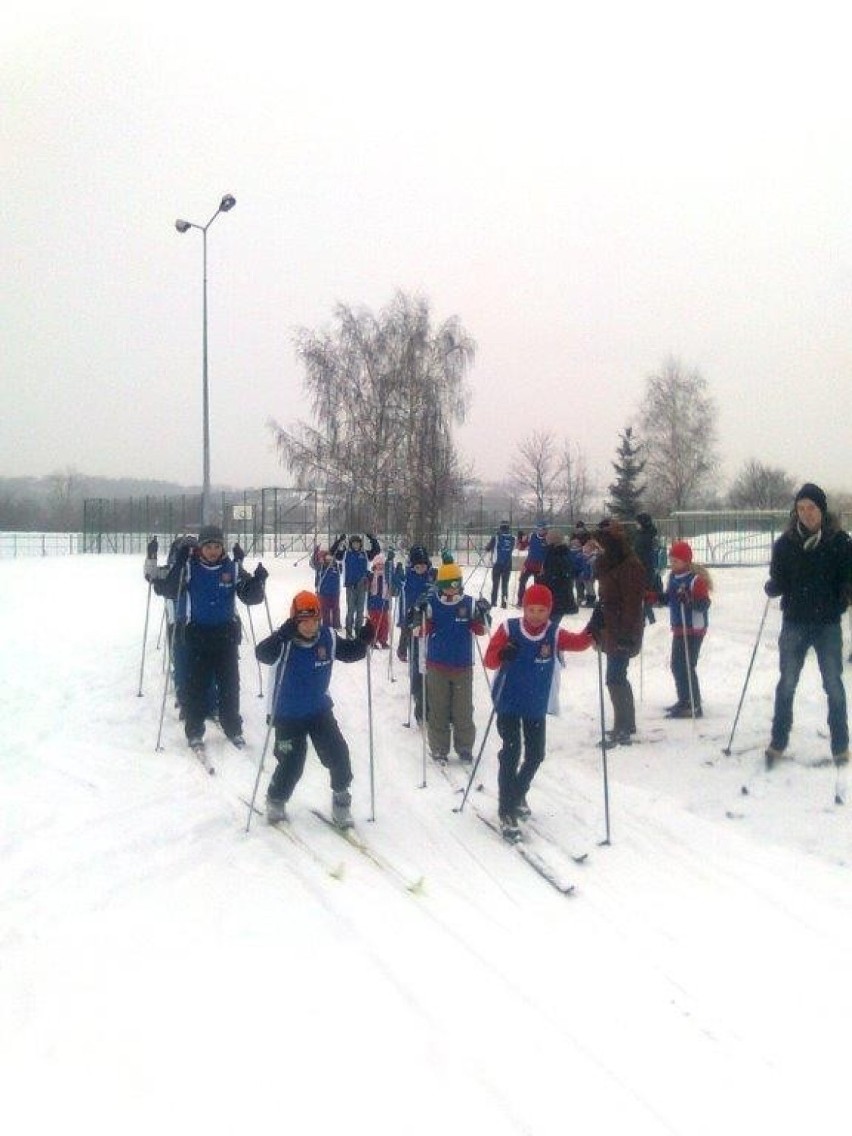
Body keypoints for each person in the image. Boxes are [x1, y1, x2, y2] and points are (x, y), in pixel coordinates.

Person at [484, 583, 594, 841]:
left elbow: (578, 643)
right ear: (524, 608)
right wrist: (503, 652)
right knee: (511, 752)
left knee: (536, 754)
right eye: (531, 609)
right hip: (508, 701)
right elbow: (490, 660)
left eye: (541, 610)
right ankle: (506, 809)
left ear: (549, 611)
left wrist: (594, 629)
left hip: (535, 704)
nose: (535, 615)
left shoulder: (553, 634)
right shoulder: (510, 629)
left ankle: (518, 792)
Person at [256, 591, 374, 827]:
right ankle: (276, 798)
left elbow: (350, 652)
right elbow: (262, 654)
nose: (311, 626)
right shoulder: (284, 642)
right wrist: (282, 635)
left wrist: (363, 640)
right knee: (292, 763)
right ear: (294, 620)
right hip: (287, 715)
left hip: (318, 711)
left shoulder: (327, 638)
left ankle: (341, 801)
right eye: (304, 621)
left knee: (338, 755)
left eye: (315, 620)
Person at [764, 483, 852, 770]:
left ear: (821, 509)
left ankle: (841, 744)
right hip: (795, 623)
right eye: (800, 508)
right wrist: (774, 586)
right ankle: (778, 740)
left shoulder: (839, 542)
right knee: (787, 683)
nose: (806, 514)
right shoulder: (785, 543)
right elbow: (778, 578)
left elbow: (847, 578)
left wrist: (843, 597)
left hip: (827, 624)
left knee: (833, 684)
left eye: (811, 508)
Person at [156, 524, 267, 750]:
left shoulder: (231, 568)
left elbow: (252, 598)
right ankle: (195, 730)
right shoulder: (189, 567)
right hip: (198, 637)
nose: (213, 551)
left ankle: (232, 727)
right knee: (196, 687)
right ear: (200, 547)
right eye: (209, 546)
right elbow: (168, 590)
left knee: (230, 687)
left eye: (217, 546)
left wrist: (257, 581)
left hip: (225, 638)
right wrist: (178, 564)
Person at [413, 560, 489, 763]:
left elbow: (481, 630)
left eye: (454, 584)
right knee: (438, 709)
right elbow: (419, 631)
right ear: (439, 585)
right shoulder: (433, 604)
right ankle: (439, 748)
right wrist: (417, 613)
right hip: (437, 665)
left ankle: (464, 747)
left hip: (462, 666)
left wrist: (483, 613)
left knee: (463, 710)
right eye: (446, 585)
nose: (450, 589)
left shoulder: (468, 604)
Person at [585, 522, 646, 745]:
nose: (600, 547)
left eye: (603, 543)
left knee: (615, 676)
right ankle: (625, 723)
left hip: (624, 628)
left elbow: (632, 603)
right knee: (616, 676)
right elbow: (606, 597)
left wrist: (626, 635)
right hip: (611, 626)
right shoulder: (608, 562)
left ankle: (623, 725)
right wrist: (597, 617)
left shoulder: (630, 565)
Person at [664, 541, 712, 719]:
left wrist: (689, 600)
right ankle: (684, 699)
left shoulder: (695, 580)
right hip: (679, 626)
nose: (672, 564)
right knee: (677, 665)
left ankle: (694, 703)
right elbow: (668, 599)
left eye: (676, 561)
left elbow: (704, 604)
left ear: (686, 561)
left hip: (694, 628)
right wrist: (651, 597)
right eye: (671, 560)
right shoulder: (673, 577)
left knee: (686, 665)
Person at [336, 532, 381, 638]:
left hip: (362, 585)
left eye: (357, 543)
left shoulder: (365, 554)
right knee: (351, 610)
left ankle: (358, 631)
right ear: (351, 544)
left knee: (360, 611)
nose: (356, 545)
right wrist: (340, 541)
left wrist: (372, 539)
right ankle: (348, 631)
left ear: (360, 544)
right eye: (354, 543)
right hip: (350, 586)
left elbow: (376, 551)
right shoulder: (346, 554)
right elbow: (335, 553)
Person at [538, 528, 578, 623]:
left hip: (556, 596)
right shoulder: (565, 552)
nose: (546, 540)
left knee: (549, 624)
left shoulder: (555, 554)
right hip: (562, 595)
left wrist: (541, 580)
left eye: (548, 538)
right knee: (551, 623)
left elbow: (553, 575)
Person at [634, 512, 662, 625]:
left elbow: (646, 554)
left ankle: (650, 620)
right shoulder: (642, 534)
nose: (636, 524)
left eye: (638, 522)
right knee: (641, 595)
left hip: (646, 568)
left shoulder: (647, 536)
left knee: (643, 594)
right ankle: (645, 618)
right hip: (642, 568)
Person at [485, 521, 515, 608]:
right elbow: (511, 549)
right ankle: (504, 603)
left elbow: (488, 548)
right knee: (505, 585)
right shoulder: (512, 538)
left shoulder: (496, 537)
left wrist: (488, 547)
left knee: (495, 584)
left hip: (497, 564)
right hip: (508, 564)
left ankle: (493, 603)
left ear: (500, 528)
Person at [516, 520, 548, 605]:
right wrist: (520, 540)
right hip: (529, 564)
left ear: (545, 529)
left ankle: (536, 602)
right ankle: (520, 600)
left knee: (538, 585)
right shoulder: (532, 536)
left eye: (542, 529)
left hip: (540, 566)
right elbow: (522, 547)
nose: (540, 530)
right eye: (539, 528)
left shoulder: (547, 538)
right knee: (522, 581)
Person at [310, 543, 342, 629]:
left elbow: (342, 562)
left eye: (331, 558)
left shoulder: (337, 566)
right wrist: (315, 552)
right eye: (327, 558)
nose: (329, 560)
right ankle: (326, 625)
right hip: (323, 592)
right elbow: (313, 563)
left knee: (336, 609)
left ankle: (336, 625)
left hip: (335, 591)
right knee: (325, 610)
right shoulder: (320, 566)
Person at [365, 553, 392, 647]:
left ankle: (383, 639)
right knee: (374, 623)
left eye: (382, 565)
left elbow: (392, 586)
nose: (380, 567)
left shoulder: (387, 576)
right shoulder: (372, 575)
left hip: (384, 602)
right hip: (373, 602)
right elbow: (367, 587)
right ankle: (373, 639)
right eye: (378, 564)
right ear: (375, 565)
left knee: (384, 623)